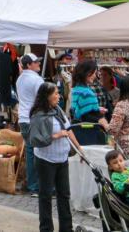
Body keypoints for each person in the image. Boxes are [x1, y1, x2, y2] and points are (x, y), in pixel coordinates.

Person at [30, 81, 76, 232]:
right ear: (47, 96)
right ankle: (46, 229)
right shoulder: (38, 115)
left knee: (64, 194)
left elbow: (68, 130)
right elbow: (35, 139)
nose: (59, 96)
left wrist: (79, 149)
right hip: (45, 160)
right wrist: (56, 135)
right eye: (55, 93)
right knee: (46, 196)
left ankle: (66, 228)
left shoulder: (58, 110)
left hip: (62, 159)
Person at [15, 53, 44, 195]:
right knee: (39, 152)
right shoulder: (36, 79)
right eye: (36, 62)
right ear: (28, 65)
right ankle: (37, 186)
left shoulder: (20, 79)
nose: (38, 63)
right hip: (34, 119)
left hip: (23, 118)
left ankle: (32, 185)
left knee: (30, 152)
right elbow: (43, 99)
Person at [69, 60, 108, 145]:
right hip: (90, 134)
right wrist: (107, 128)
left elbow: (80, 109)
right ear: (87, 74)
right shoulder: (87, 93)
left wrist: (96, 108)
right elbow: (92, 116)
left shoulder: (75, 89)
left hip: (77, 131)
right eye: (94, 73)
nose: (95, 76)